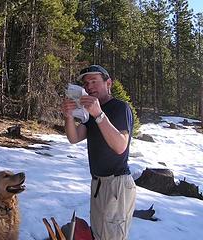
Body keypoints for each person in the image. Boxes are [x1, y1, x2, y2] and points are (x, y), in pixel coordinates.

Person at [61, 65, 136, 240]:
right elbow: (74, 138)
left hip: (117, 184)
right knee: (99, 234)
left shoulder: (120, 108)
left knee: (112, 236)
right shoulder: (91, 113)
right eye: (86, 84)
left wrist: (99, 115)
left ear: (108, 83)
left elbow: (120, 146)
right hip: (98, 183)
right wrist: (69, 116)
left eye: (94, 81)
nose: (89, 87)